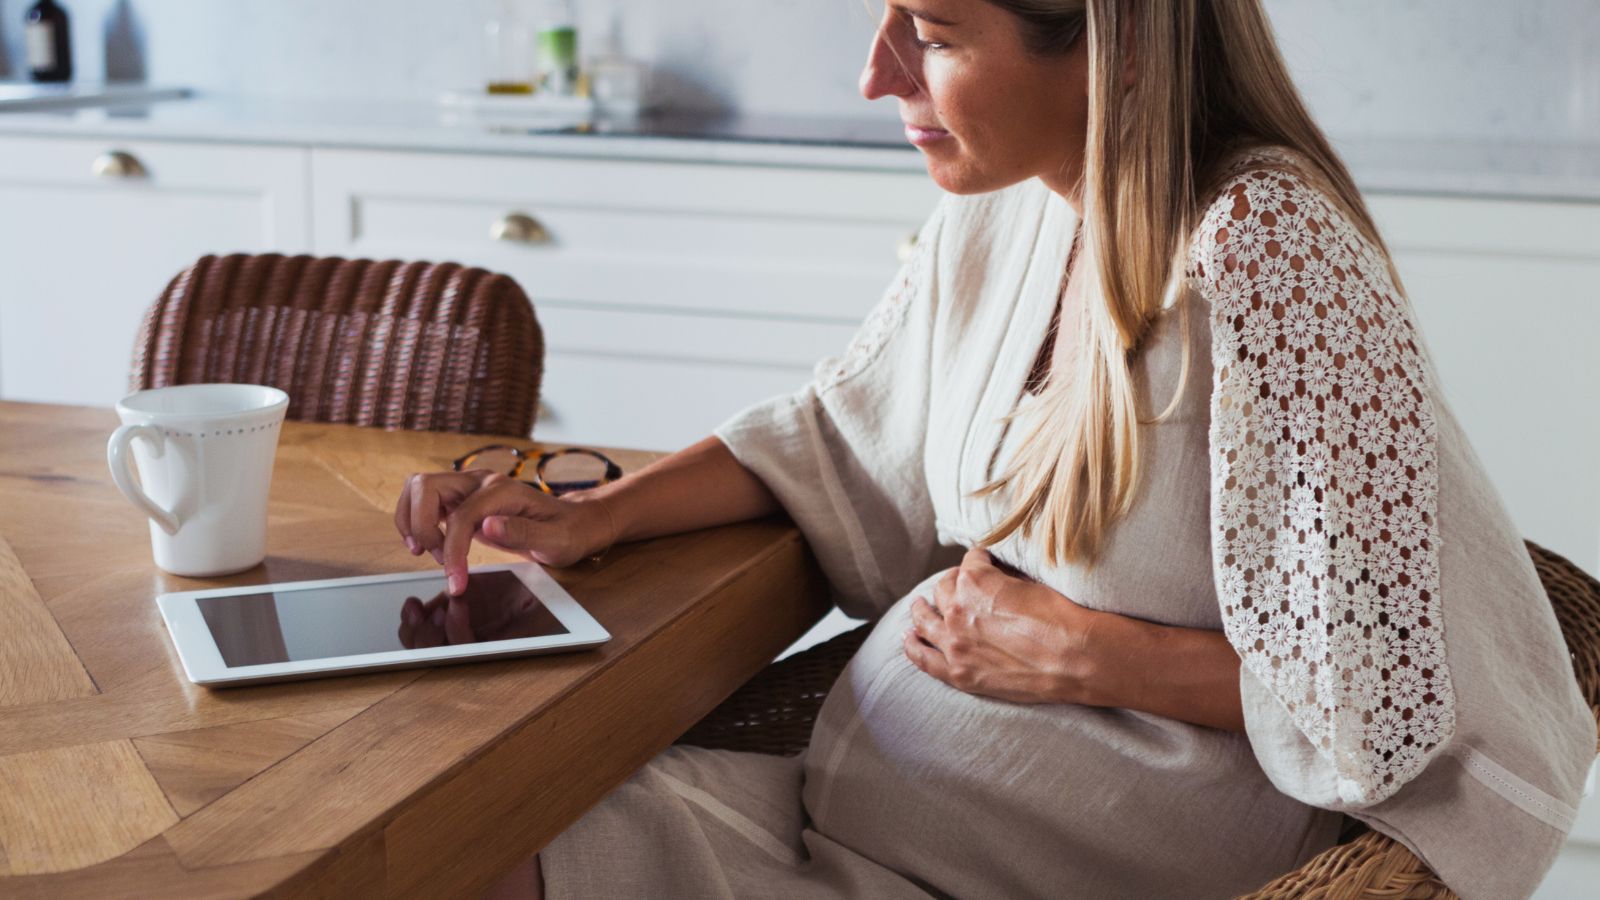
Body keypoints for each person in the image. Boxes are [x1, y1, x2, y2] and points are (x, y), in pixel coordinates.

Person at [393, 2, 1596, 898]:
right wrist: (598, 513)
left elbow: (1371, 711)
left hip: (1050, 871)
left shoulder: (1268, 254)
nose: (875, 75)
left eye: (933, 32)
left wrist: (1084, 658)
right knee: (450, 855)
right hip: (864, 816)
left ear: (1112, 45)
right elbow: (847, 433)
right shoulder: (1005, 205)